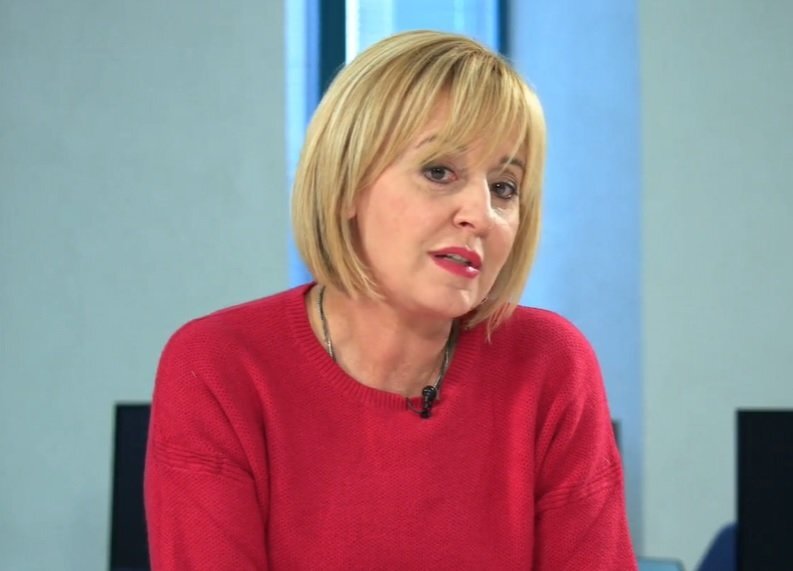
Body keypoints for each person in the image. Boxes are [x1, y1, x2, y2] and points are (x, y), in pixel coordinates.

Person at [144, 30, 637, 569]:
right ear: (346, 186)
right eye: (439, 172)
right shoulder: (220, 366)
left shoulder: (550, 364)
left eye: (504, 187)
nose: (479, 215)